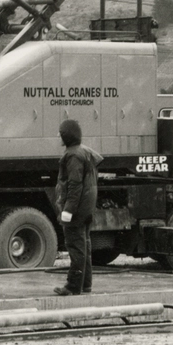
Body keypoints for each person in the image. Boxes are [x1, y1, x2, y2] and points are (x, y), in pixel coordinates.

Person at [53, 118, 103, 297]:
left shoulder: (73, 155)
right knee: (85, 247)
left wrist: (67, 211)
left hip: (77, 210)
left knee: (76, 247)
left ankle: (73, 287)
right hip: (86, 208)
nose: (58, 136)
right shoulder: (85, 152)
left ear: (67, 136)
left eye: (61, 133)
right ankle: (85, 285)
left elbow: (74, 186)